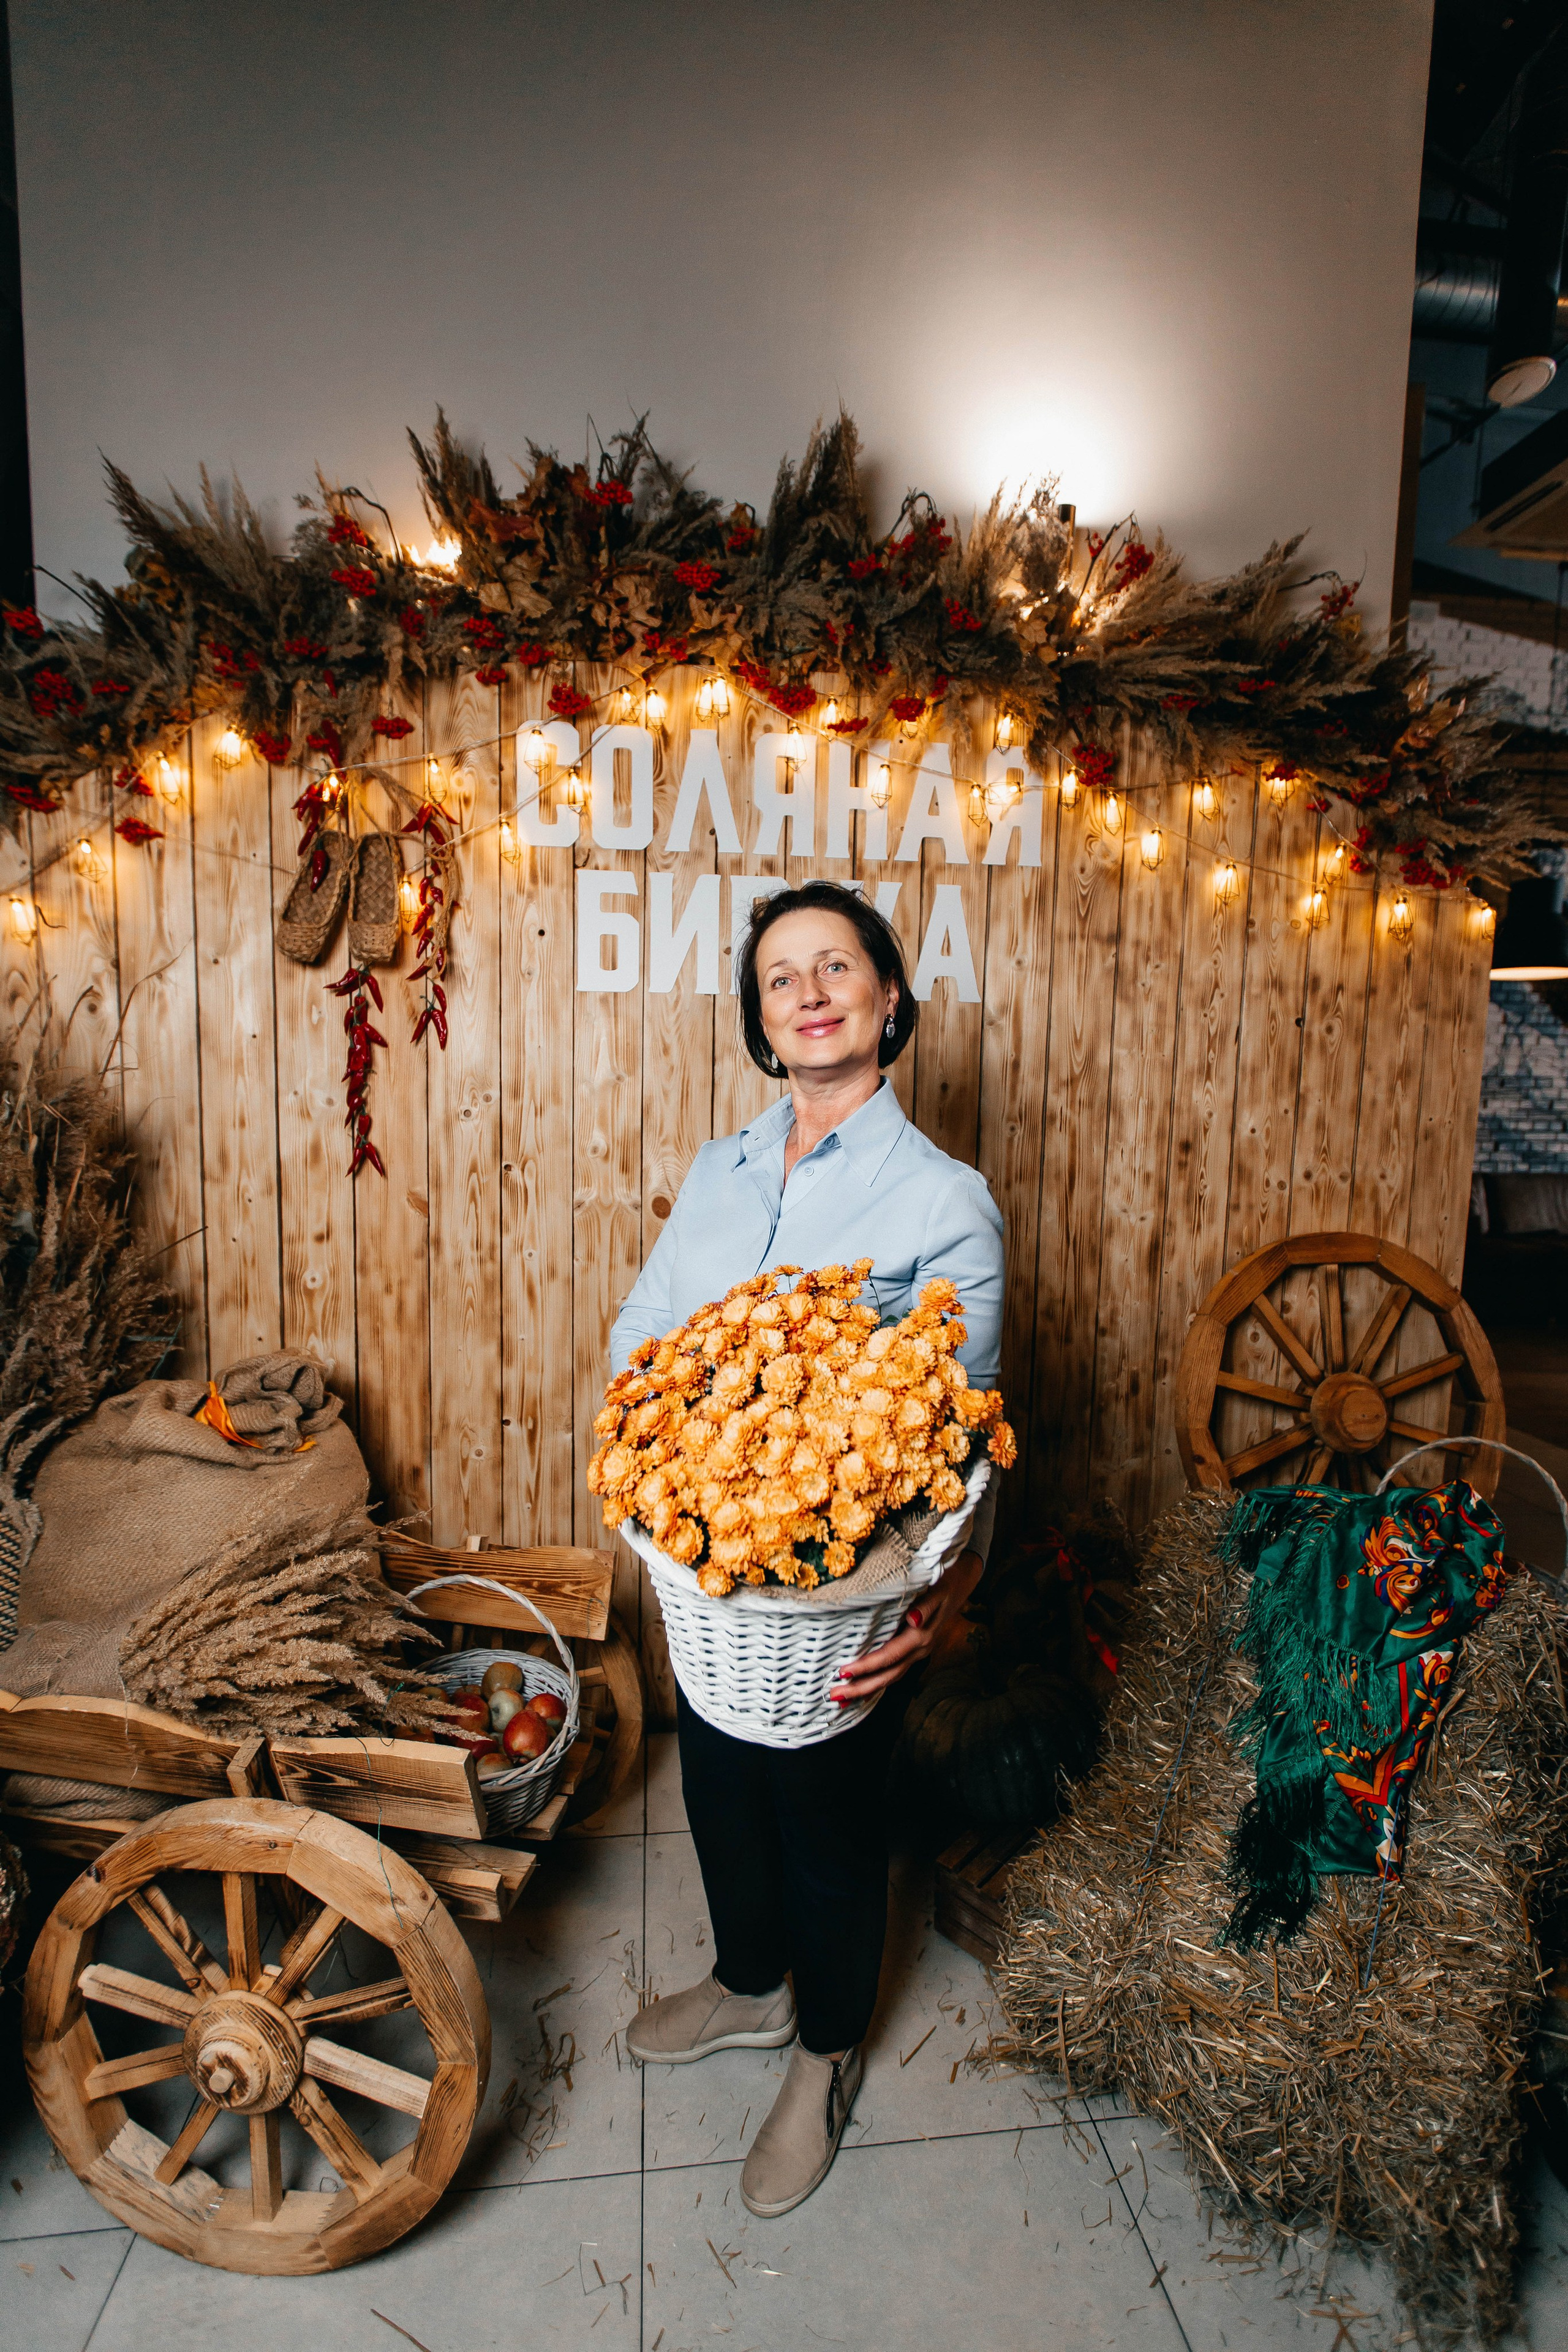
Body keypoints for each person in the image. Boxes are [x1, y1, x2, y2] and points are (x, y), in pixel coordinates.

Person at [612, 880, 1006, 2218]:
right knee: (716, 1783)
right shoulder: (714, 1174)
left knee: (828, 1820)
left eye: (838, 967)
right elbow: (640, 1335)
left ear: (888, 1001)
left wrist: (937, 1601)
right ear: (761, 1025)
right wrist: (678, 1470)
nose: (812, 991)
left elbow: (951, 1427)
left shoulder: (942, 1201)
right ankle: (746, 1987)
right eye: (782, 978)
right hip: (705, 1568)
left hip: (842, 1586)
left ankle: (824, 2054)